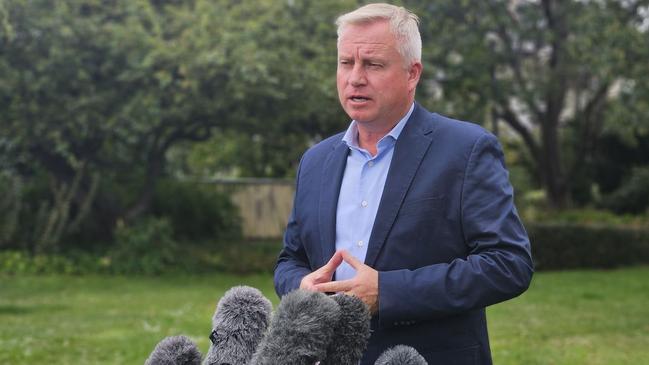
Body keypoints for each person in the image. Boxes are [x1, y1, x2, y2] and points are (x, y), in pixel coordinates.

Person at [274, 3, 533, 364]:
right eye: (346, 62)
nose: (355, 78)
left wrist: (388, 292)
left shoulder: (466, 150)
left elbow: (508, 264)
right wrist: (301, 289)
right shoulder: (315, 161)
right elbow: (291, 259)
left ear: (413, 74)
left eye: (373, 64)